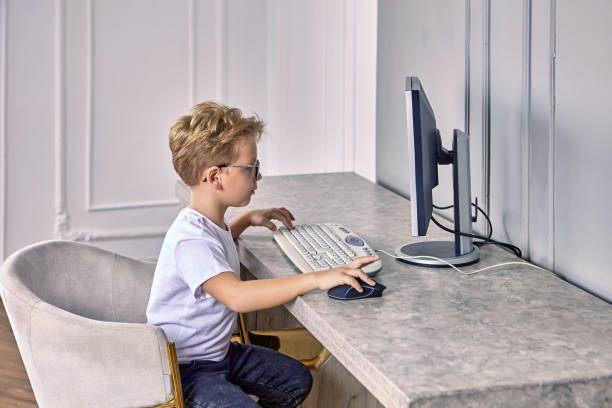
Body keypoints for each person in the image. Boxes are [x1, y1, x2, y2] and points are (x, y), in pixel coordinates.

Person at [146, 101, 380, 408]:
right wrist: (316, 278)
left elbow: (217, 248)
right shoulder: (190, 241)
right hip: (187, 370)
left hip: (218, 354)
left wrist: (247, 219)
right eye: (251, 168)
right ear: (216, 177)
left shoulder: (207, 224)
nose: (258, 177)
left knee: (296, 381)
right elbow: (237, 296)